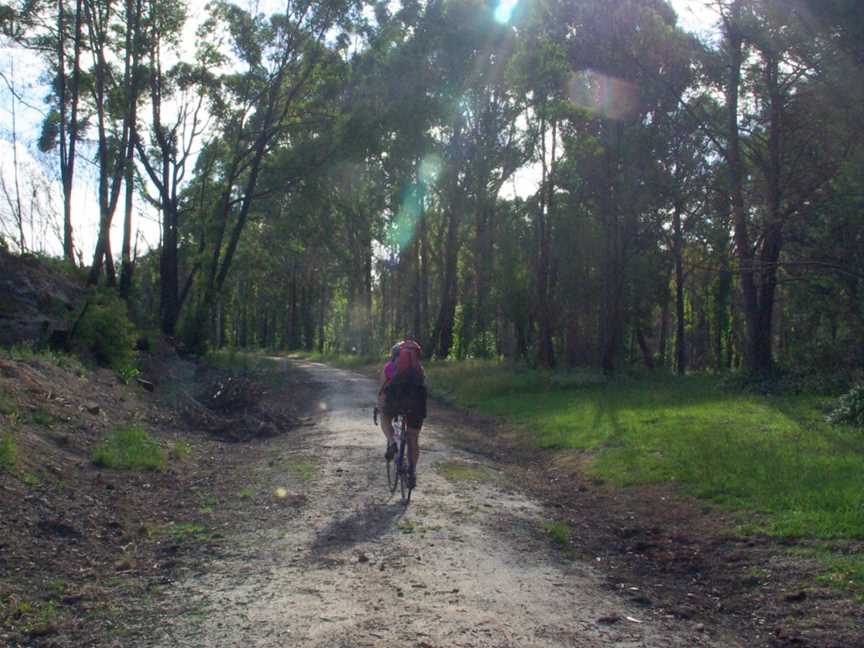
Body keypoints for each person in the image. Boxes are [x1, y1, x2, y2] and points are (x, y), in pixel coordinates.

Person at [377, 339, 426, 488]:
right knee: (413, 437)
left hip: (395, 403)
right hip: (416, 405)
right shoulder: (419, 369)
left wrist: (379, 406)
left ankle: (392, 442)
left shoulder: (389, 367)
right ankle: (412, 471)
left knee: (384, 417)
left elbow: (382, 390)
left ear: (393, 355)